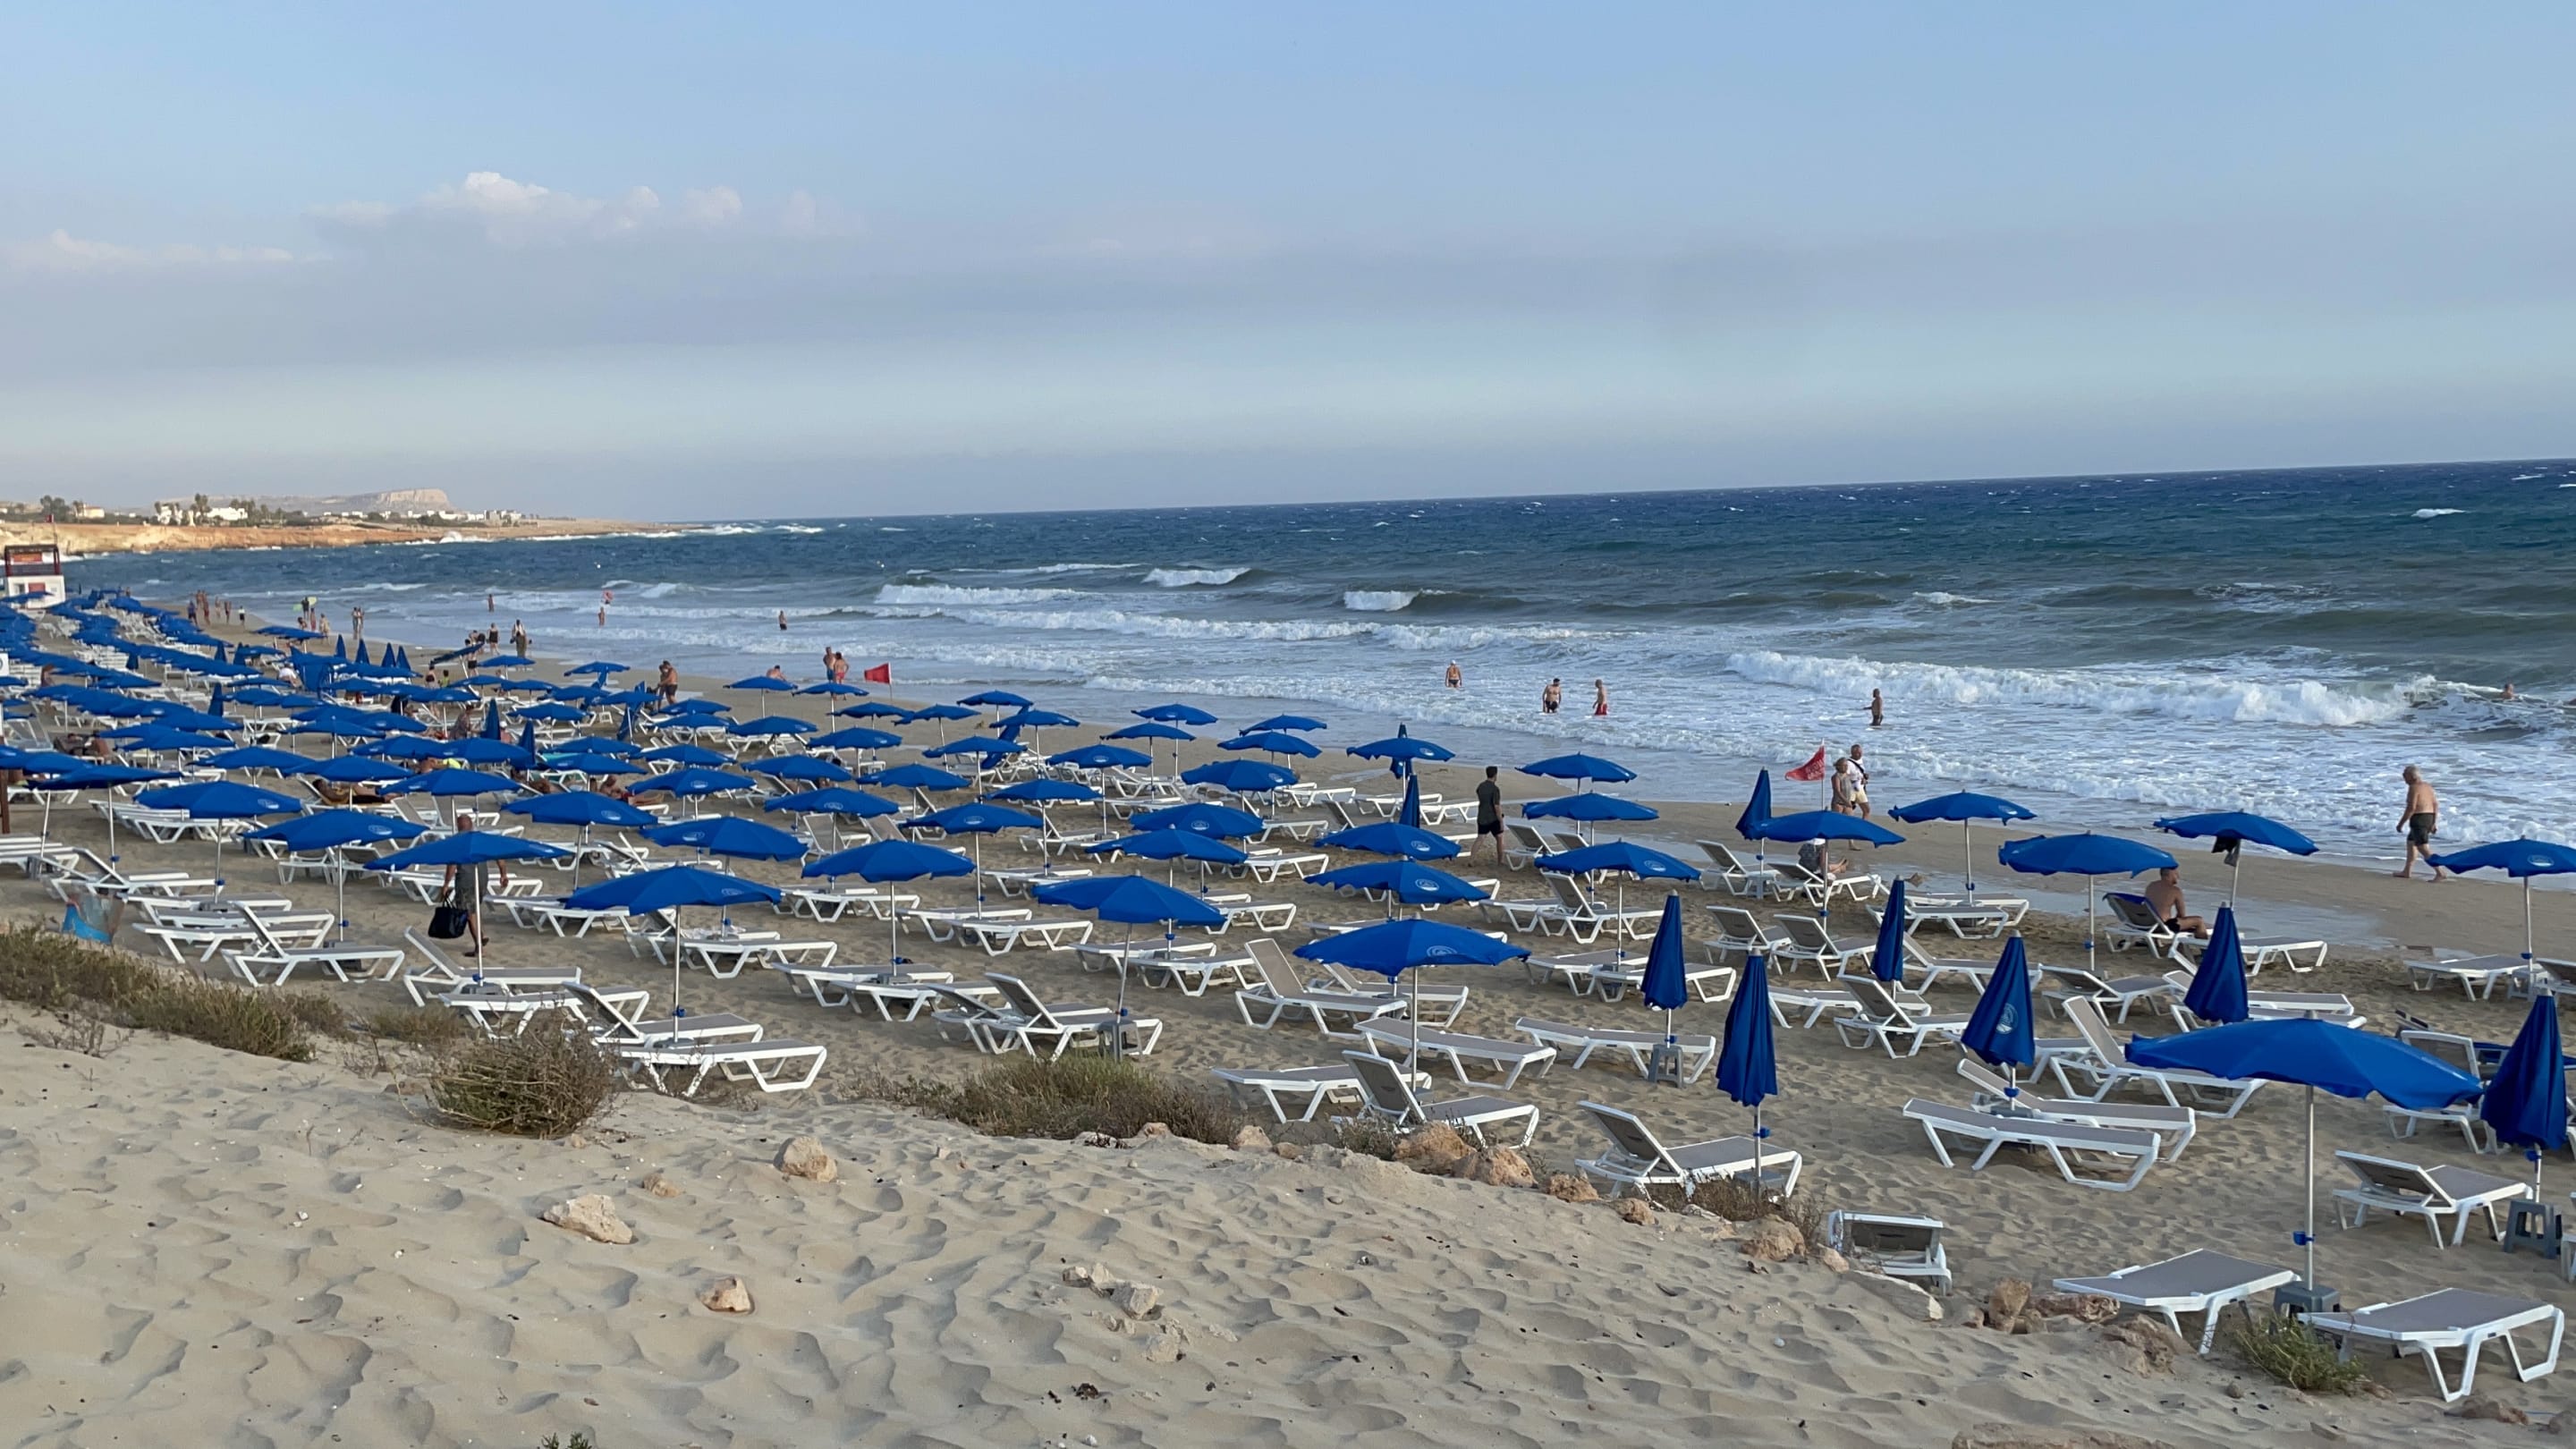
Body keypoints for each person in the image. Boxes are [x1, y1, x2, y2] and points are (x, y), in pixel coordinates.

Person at [2395, 765, 2443, 879]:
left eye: (2405, 775)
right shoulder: (2427, 786)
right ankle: (2407, 871)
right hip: (2429, 816)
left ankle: (2440, 872)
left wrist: (2401, 823)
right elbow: (2435, 804)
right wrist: (2434, 822)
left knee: (2422, 847)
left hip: (2419, 819)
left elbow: (2411, 808)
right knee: (2411, 843)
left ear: (2412, 776)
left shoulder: (2414, 787)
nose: (2403, 777)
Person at [2142, 867, 2206, 935]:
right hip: (2163, 926)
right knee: (2199, 920)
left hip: (2146, 923)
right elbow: (2181, 915)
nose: (2178, 876)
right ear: (2169, 875)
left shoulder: (2151, 886)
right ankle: (2204, 940)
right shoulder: (2175, 891)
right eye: (2176, 874)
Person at [1473, 765, 1504, 864]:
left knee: (1480, 838)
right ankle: (1500, 861)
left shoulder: (1481, 786)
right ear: (1495, 775)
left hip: (1482, 816)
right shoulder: (1495, 789)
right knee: (1500, 837)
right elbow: (1496, 806)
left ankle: (1471, 859)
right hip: (1493, 818)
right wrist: (1501, 820)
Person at [1839, 743, 1871, 818]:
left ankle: (1863, 824)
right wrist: (1854, 781)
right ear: (1852, 753)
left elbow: (1859, 772)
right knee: (1848, 811)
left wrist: (1864, 777)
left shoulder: (1860, 760)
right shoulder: (1848, 763)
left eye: (1861, 752)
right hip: (1851, 790)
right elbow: (1843, 777)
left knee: (1867, 810)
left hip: (1860, 789)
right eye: (1858, 753)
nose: (1860, 754)